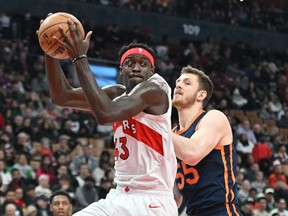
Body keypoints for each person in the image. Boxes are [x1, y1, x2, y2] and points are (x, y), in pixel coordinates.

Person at [37, 15, 177, 216]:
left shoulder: (154, 91)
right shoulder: (116, 94)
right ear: (121, 70)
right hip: (118, 195)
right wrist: (50, 50)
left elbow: (105, 114)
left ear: (152, 70)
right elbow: (62, 97)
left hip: (151, 200)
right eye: (130, 63)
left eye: (143, 63)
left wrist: (79, 58)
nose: (136, 67)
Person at [171, 66, 242, 216]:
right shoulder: (171, 134)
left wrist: (154, 127)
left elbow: (192, 153)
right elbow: (175, 197)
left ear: (201, 95)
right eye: (178, 81)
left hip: (221, 211)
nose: (178, 85)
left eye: (187, 83)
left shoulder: (213, 118)